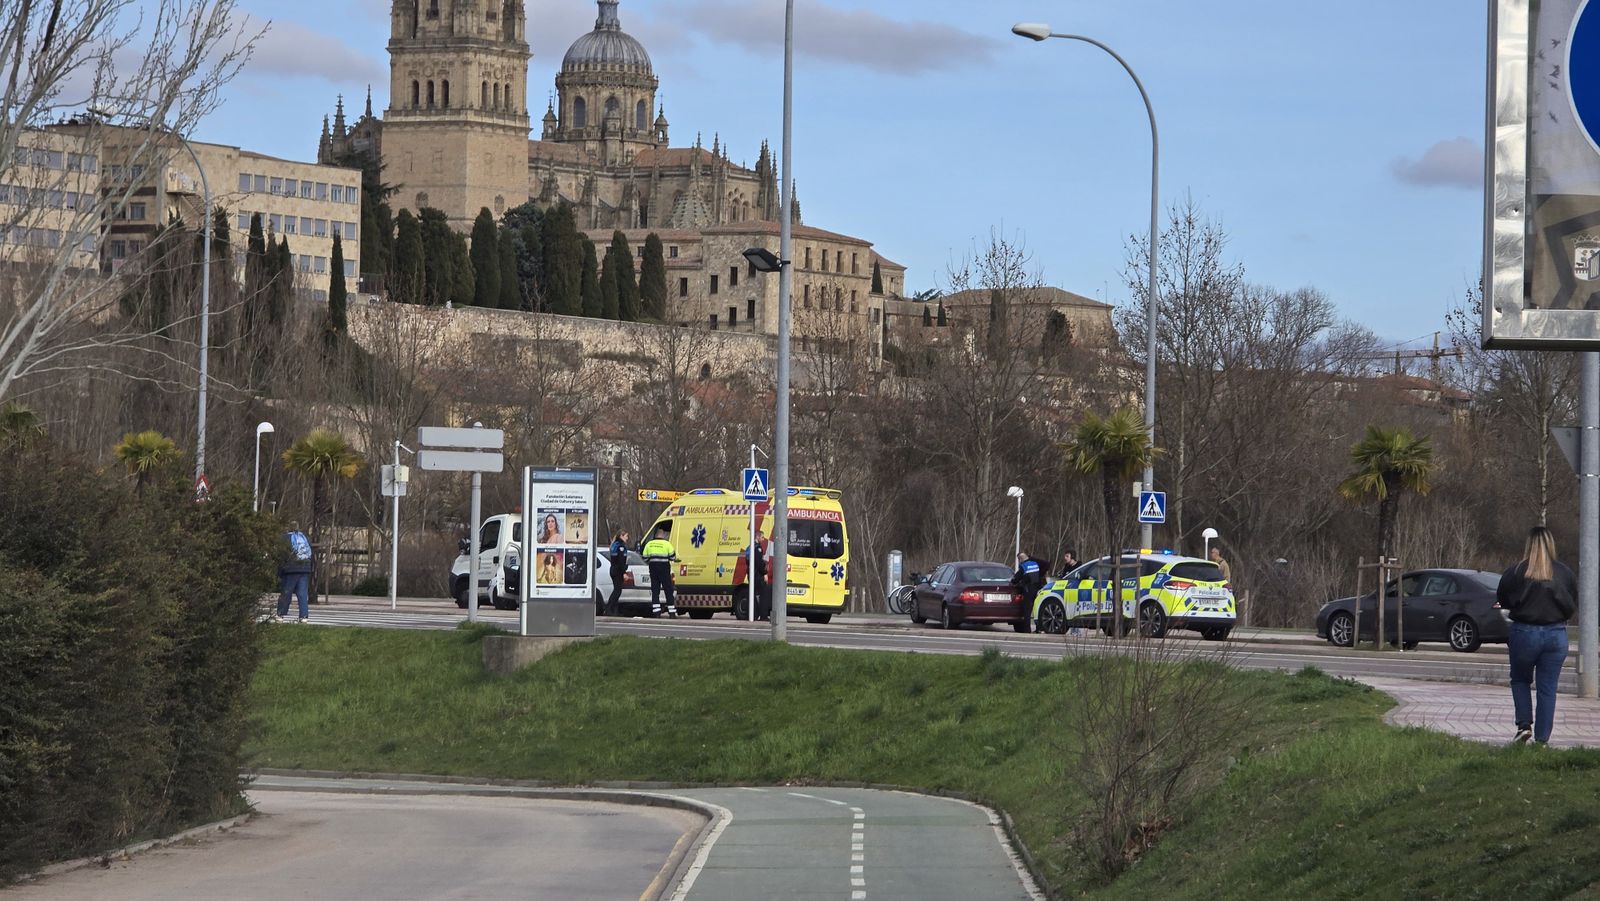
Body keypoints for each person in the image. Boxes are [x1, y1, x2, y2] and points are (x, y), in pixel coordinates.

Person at [1497, 526, 1578, 745]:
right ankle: (1542, 740)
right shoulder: (1564, 572)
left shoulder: (1515, 572)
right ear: (1551, 544)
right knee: (1547, 688)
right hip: (1556, 634)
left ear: (1528, 545)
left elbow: (1503, 600)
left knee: (1520, 680)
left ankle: (1524, 726)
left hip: (1524, 632)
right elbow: (1572, 605)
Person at [274, 523, 313, 623]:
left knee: (286, 592)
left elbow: (281, 555)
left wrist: (279, 572)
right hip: (305, 568)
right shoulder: (304, 538)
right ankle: (304, 616)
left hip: (291, 569)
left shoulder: (284, 538)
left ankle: (280, 614)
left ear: (288, 528)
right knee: (302, 594)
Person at [642, 526, 679, 617]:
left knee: (655, 591)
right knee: (668, 590)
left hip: (653, 569)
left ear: (656, 535)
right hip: (664, 569)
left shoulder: (649, 544)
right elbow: (672, 557)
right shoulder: (667, 544)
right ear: (662, 535)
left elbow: (645, 558)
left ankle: (656, 612)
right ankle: (671, 612)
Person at [1012, 552, 1045, 634]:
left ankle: (1027, 630)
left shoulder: (1023, 566)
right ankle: (1039, 628)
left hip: (1028, 590)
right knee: (1037, 609)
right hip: (1037, 589)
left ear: (1020, 559)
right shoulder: (1035, 564)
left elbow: (1016, 578)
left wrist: (1013, 581)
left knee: (1027, 611)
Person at [605, 530, 630, 616]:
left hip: (614, 569)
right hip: (617, 571)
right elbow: (621, 561)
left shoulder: (615, 545)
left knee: (617, 590)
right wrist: (624, 572)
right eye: (626, 536)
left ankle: (614, 611)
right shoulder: (621, 546)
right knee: (617, 591)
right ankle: (609, 609)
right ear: (621, 536)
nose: (627, 538)